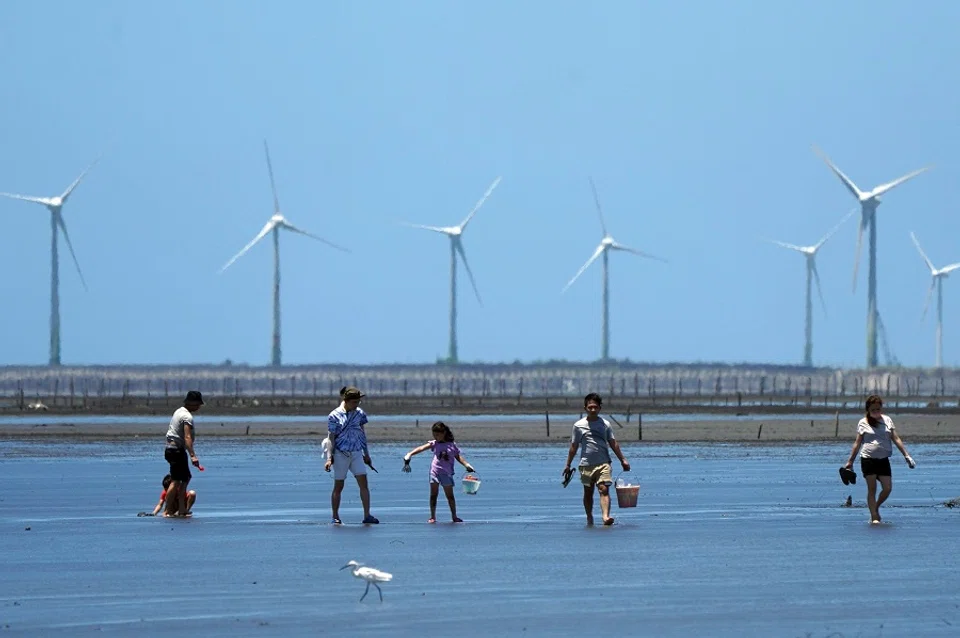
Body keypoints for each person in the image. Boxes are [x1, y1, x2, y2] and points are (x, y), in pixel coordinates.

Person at [843, 394, 915, 524]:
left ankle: (875, 508)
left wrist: (906, 455)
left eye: (878, 409)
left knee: (887, 488)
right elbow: (857, 443)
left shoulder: (887, 420)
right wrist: (850, 461)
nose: (876, 412)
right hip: (868, 459)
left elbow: (896, 438)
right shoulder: (863, 422)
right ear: (868, 410)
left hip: (883, 460)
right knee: (872, 489)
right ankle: (874, 517)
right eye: (873, 410)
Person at [563, 392, 630, 526]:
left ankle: (605, 516)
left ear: (600, 408)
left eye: (595, 407)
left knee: (603, 489)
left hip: (604, 463)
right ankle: (589, 517)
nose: (593, 410)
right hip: (586, 464)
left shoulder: (605, 424)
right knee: (588, 492)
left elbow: (613, 443)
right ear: (585, 408)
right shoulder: (578, 426)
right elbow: (574, 446)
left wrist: (623, 460)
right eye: (590, 407)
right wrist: (568, 465)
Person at [324, 386, 378, 524]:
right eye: (354, 402)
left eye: (358, 402)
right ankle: (335, 516)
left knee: (364, 484)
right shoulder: (334, 415)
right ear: (346, 401)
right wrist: (329, 458)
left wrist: (367, 454)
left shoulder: (359, 413)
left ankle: (367, 515)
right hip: (341, 454)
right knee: (339, 486)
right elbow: (331, 438)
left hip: (356, 453)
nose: (357, 405)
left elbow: (362, 434)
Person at [402, 421, 476, 523]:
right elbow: (421, 448)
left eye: (438, 434)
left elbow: (458, 457)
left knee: (450, 496)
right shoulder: (434, 444)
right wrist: (410, 454)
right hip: (434, 472)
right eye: (434, 435)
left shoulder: (451, 445)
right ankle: (432, 516)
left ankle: (454, 516)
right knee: (433, 495)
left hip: (446, 473)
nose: (436, 437)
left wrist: (467, 465)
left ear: (444, 433)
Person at [164, 390, 203, 518]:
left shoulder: (179, 411)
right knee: (176, 481)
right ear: (191, 403)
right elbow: (187, 437)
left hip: (171, 449)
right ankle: (168, 510)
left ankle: (181, 509)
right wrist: (193, 455)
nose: (198, 407)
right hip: (176, 450)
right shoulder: (187, 417)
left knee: (184, 478)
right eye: (197, 404)